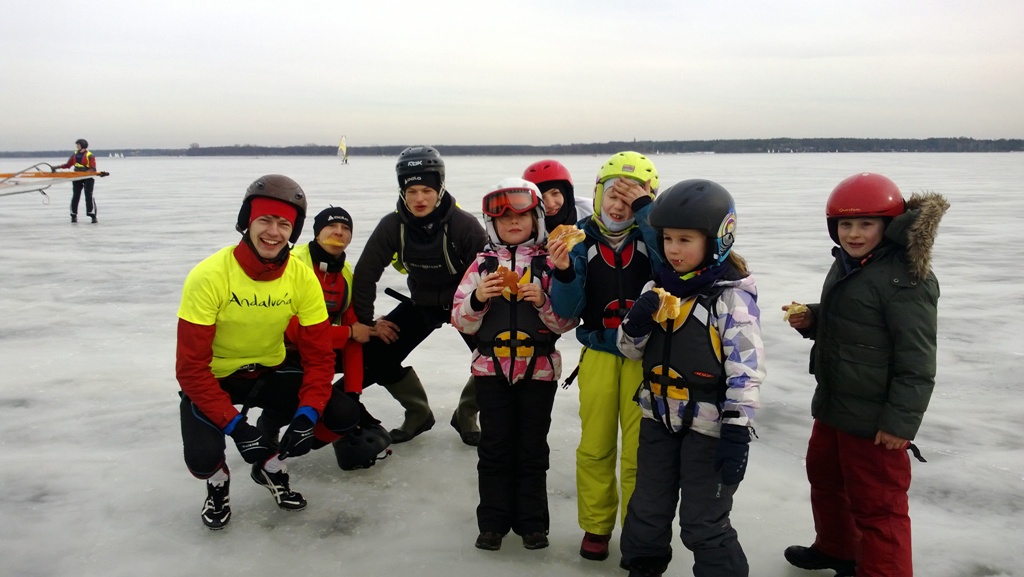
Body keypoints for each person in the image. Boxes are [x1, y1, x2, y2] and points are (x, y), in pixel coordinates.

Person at [783, 173, 947, 577]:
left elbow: (918, 360)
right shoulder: (849, 264)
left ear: (888, 226)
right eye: (845, 224)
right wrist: (813, 318)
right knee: (825, 481)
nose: (854, 234)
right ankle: (838, 549)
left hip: (876, 420)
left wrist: (899, 424)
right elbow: (853, 324)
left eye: (866, 224)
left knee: (880, 508)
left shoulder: (905, 280)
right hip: (836, 406)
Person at [175, 175, 361, 530]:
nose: (273, 232)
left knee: (342, 413)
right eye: (265, 220)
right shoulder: (209, 276)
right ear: (247, 221)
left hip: (268, 371)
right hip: (215, 378)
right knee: (201, 459)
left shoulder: (301, 277)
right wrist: (238, 429)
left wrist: (308, 414)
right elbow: (190, 369)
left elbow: (320, 356)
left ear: (293, 231)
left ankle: (272, 464)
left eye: (284, 224)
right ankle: (217, 482)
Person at [616, 179, 764, 577]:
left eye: (685, 240)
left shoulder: (729, 299)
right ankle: (642, 567)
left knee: (703, 520)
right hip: (658, 420)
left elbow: (746, 370)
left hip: (710, 430)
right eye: (667, 239)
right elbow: (630, 350)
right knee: (647, 507)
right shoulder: (656, 288)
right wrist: (637, 321)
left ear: (717, 241)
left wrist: (736, 431)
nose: (673, 250)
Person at [451, 178, 578, 551]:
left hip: (538, 371)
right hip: (490, 371)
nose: (512, 224)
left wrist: (542, 300)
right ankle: (492, 524)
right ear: (492, 224)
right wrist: (477, 298)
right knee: (494, 448)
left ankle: (533, 525)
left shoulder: (549, 264)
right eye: (504, 219)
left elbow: (566, 321)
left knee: (532, 448)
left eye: (521, 216)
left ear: (537, 217)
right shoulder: (482, 264)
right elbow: (460, 320)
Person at [548, 151, 662, 561]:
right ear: (597, 194)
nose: (619, 206)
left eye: (632, 199)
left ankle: (637, 528)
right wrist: (561, 272)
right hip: (597, 353)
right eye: (612, 195)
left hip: (645, 360)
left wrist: (648, 217)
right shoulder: (577, 239)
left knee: (638, 451)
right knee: (595, 446)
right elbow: (567, 308)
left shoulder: (655, 238)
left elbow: (670, 273)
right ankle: (596, 526)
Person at [351, 145, 488, 444]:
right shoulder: (392, 225)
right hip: (420, 304)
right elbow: (364, 276)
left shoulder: (464, 225)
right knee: (376, 356)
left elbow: (489, 273)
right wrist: (365, 323)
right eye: (411, 191)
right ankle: (418, 412)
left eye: (426, 189)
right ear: (402, 191)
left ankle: (466, 413)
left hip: (464, 305)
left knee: (495, 358)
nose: (419, 199)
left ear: (440, 188)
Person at [271, 206, 390, 471]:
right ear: (316, 233)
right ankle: (269, 433)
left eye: (346, 228)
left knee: (374, 357)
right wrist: (348, 332)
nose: (339, 232)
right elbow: (293, 330)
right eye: (331, 227)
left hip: (315, 353)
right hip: (275, 353)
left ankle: (311, 436)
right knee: (286, 399)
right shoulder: (293, 264)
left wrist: (353, 394)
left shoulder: (344, 274)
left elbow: (355, 339)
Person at [522, 159, 593, 231]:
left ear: (567, 193)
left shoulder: (592, 211)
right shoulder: (525, 228)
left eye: (555, 193)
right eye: (541, 197)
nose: (550, 204)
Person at [56, 138, 98, 223]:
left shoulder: (90, 155)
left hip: (87, 177)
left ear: (82, 145)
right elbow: (68, 165)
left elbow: (93, 168)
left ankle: (92, 215)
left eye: (78, 145)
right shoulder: (75, 154)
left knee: (88, 195)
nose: (77, 146)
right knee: (76, 196)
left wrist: (87, 172)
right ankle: (73, 215)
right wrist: (57, 167)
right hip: (77, 177)